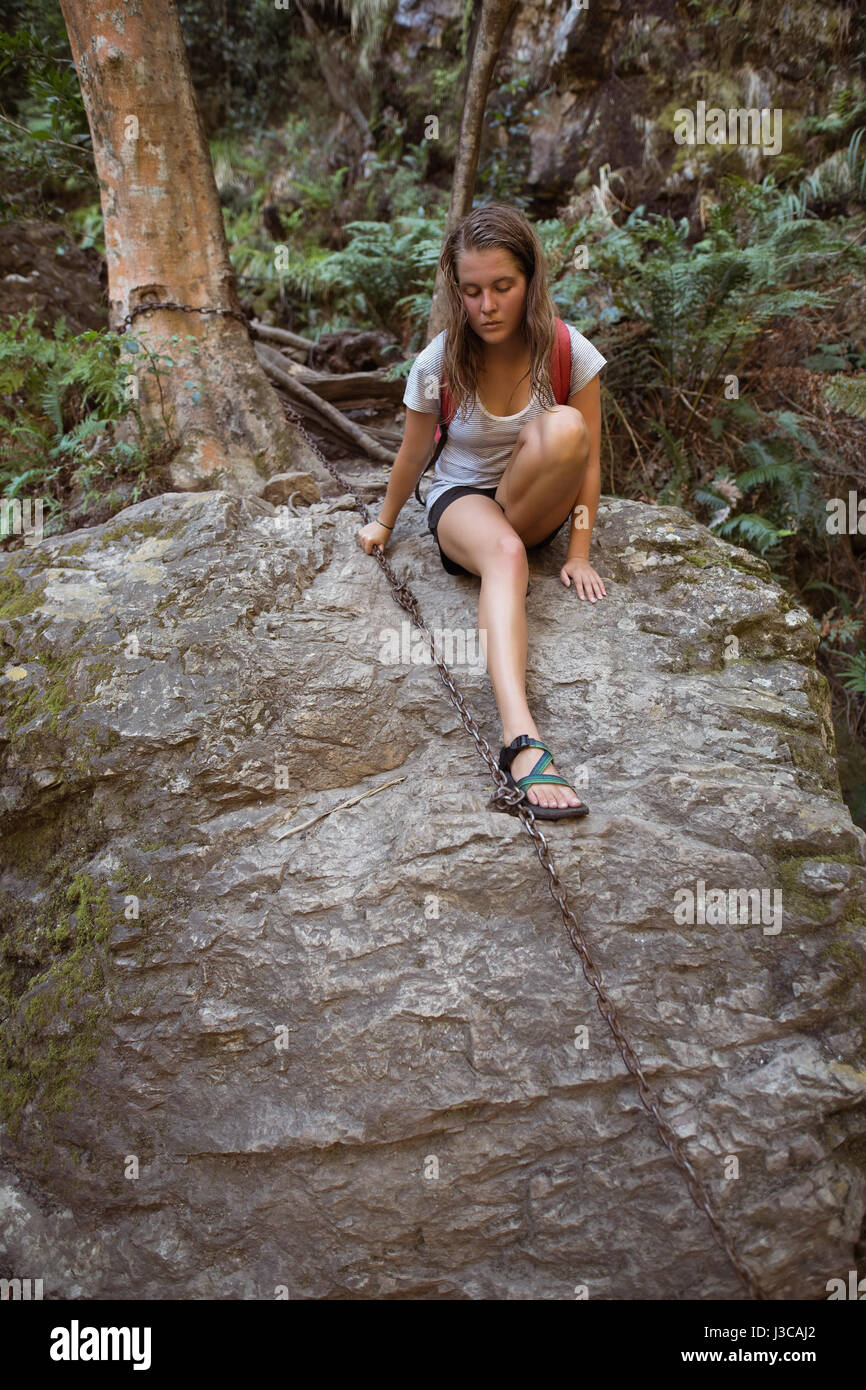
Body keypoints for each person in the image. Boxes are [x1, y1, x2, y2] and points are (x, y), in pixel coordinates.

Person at [358, 202, 608, 820]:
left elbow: (591, 463)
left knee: (567, 430)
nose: (488, 306)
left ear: (530, 281)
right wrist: (385, 524)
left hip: (532, 501)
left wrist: (578, 552)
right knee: (504, 552)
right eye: (472, 291)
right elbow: (414, 454)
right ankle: (521, 740)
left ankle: (527, 549)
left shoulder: (568, 352)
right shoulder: (439, 362)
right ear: (456, 291)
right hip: (463, 503)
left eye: (503, 286)